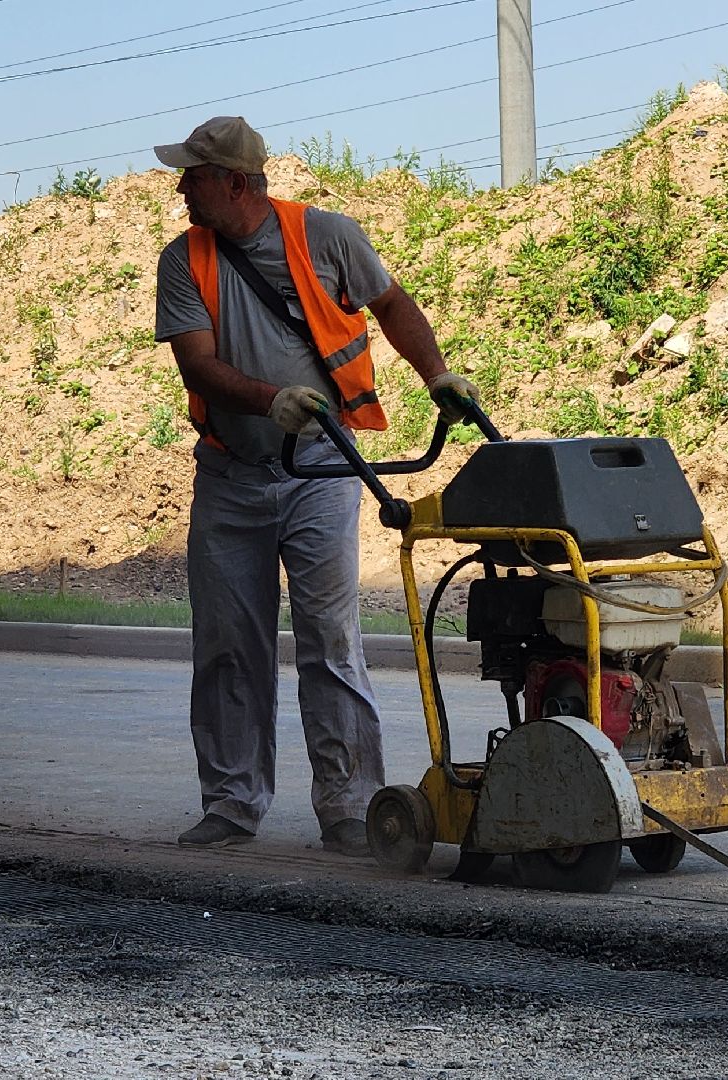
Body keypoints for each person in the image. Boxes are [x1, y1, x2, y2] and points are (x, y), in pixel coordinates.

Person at [149, 116, 479, 855]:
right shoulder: (183, 260)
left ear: (236, 183)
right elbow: (197, 365)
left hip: (324, 469)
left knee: (330, 639)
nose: (182, 189)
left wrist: (437, 376)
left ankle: (351, 807)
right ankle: (231, 804)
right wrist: (270, 400)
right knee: (229, 645)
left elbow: (392, 305)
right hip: (230, 476)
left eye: (193, 176)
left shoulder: (327, 236)